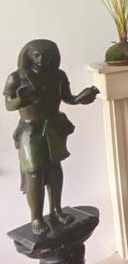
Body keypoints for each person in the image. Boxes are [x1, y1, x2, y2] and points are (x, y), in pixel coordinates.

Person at [3, 40, 98, 235]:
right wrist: (21, 99)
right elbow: (9, 105)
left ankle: (56, 210)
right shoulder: (17, 77)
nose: (42, 59)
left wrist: (82, 98)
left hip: (53, 127)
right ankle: (36, 218)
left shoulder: (58, 75)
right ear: (28, 55)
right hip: (30, 130)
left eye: (47, 55)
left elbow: (68, 98)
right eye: (37, 55)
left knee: (54, 169)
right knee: (34, 173)